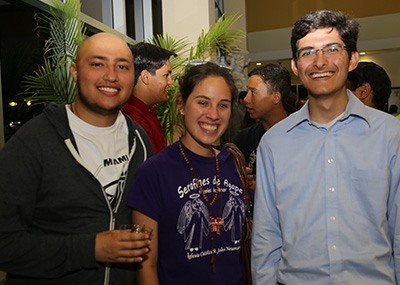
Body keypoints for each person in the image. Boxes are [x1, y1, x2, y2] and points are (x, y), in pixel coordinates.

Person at [252, 10, 400, 285]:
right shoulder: (274, 143)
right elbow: (266, 235)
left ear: (353, 58)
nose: (320, 62)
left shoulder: (390, 135)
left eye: (332, 49)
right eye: (307, 52)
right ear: (296, 66)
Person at [0, 32, 154, 284]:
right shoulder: (34, 142)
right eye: (97, 63)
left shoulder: (140, 141)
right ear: (74, 71)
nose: (111, 75)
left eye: (122, 66)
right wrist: (90, 249)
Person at [126, 62, 250, 285]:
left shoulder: (234, 164)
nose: (213, 114)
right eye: (203, 102)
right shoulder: (154, 171)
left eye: (223, 105)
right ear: (181, 105)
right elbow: (146, 265)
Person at [232, 64, 295, 191]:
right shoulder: (243, 139)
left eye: (253, 92)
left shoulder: (301, 136)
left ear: (276, 97)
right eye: (247, 91)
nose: (246, 99)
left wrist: (262, 189)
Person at [122, 42, 177, 153]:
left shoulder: (147, 112)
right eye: (166, 75)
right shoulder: (131, 119)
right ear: (145, 77)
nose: (171, 81)